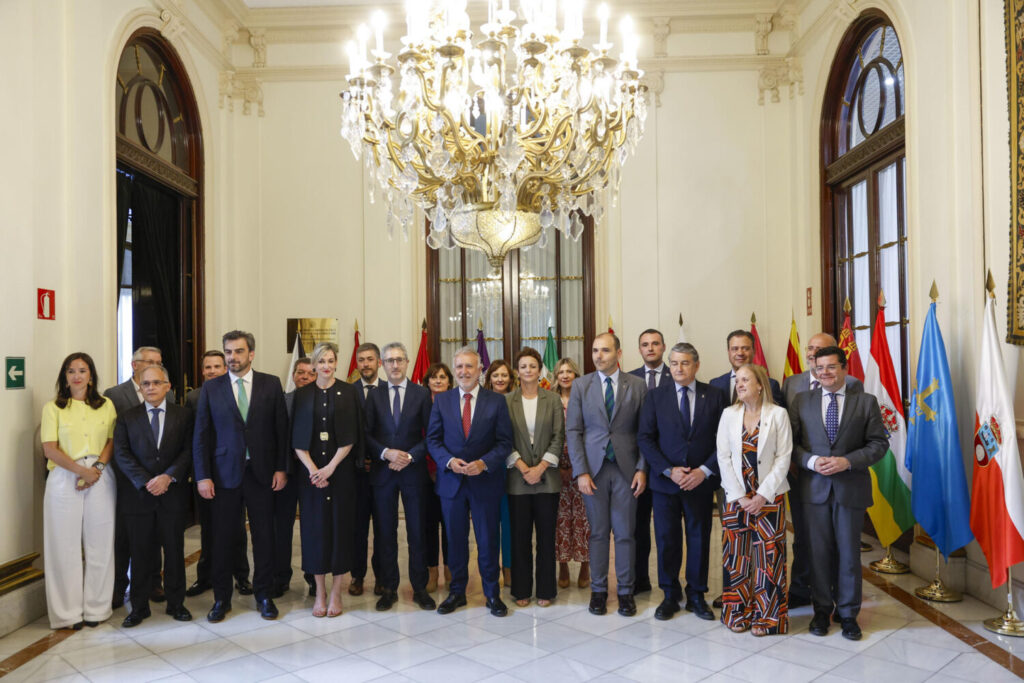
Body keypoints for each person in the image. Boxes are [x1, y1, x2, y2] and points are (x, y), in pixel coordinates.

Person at [789, 346, 888, 641]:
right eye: (819, 368)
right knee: (817, 553)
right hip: (814, 489)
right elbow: (790, 444)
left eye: (831, 367)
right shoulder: (801, 401)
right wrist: (809, 461)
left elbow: (878, 444)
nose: (825, 373)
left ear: (844, 368)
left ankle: (847, 614)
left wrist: (848, 461)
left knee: (847, 554)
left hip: (850, 488)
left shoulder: (866, 402)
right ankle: (821, 611)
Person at [193, 330, 289, 623]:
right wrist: (202, 476)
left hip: (261, 474)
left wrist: (281, 468)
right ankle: (222, 598)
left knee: (264, 537)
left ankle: (263, 595)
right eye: (228, 352)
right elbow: (202, 435)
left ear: (251, 354)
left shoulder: (270, 384)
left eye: (238, 351)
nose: (232, 357)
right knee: (223, 538)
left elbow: (281, 431)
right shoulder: (212, 388)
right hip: (223, 476)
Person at [637, 343, 727, 622]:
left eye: (685, 363)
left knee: (699, 538)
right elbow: (645, 438)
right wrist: (668, 470)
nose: (678, 368)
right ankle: (669, 594)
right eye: (674, 363)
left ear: (696, 365)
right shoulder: (655, 397)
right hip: (665, 484)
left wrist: (703, 470)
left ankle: (697, 595)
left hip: (700, 483)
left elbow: (724, 440)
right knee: (667, 540)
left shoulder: (715, 395)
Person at [426, 346, 514, 617]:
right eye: (460, 367)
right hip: (452, 482)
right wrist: (449, 462)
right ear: (455, 370)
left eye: (469, 366)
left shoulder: (496, 401)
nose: (464, 371)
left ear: (480, 370)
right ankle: (457, 592)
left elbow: (504, 442)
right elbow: (433, 440)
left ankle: (491, 594)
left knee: (488, 540)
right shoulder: (442, 401)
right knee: (455, 540)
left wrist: (484, 463)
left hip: (485, 482)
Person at [565, 332, 647, 617]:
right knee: (598, 533)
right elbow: (573, 431)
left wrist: (642, 468)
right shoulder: (580, 385)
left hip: (627, 470)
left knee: (625, 534)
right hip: (593, 471)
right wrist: (581, 472)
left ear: (619, 354)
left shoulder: (637, 386)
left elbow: (645, 432)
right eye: (595, 351)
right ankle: (598, 591)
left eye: (605, 351)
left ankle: (625, 592)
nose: (599, 356)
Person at [780, 332, 863, 608]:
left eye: (822, 352)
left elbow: (862, 435)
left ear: (840, 364)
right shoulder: (795, 388)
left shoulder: (856, 389)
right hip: (805, 479)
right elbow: (788, 435)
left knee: (845, 547)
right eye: (812, 351)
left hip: (845, 482)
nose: (816, 358)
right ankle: (809, 596)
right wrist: (803, 462)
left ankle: (843, 602)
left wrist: (846, 461)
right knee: (807, 541)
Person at [112, 364, 194, 627]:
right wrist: (146, 481)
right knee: (140, 553)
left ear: (167, 386)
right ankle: (138, 607)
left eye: (156, 383)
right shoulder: (127, 417)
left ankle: (176, 603)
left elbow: (189, 450)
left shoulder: (184, 416)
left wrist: (168, 476)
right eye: (145, 384)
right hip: (139, 497)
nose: (150, 388)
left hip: (172, 495)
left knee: (173, 550)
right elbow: (121, 454)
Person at [40, 353, 118, 630]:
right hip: (64, 477)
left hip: (100, 474)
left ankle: (97, 608)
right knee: (64, 546)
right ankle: (67, 613)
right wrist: (80, 471)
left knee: (100, 543)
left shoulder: (106, 405)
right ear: (64, 376)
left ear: (91, 376)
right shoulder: (53, 408)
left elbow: (111, 440)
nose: (77, 376)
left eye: (82, 370)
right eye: (71, 371)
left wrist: (95, 468)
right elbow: (50, 448)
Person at [708, 329, 783, 607]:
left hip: (764, 483)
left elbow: (779, 438)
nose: (740, 353)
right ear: (728, 351)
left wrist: (765, 490)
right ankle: (734, 595)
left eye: (745, 348)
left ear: (753, 351)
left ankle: (762, 597)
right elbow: (716, 437)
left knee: (765, 546)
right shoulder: (715, 384)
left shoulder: (772, 384)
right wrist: (735, 488)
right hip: (729, 481)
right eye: (734, 348)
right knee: (734, 542)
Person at [716, 363, 792, 636]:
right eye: (737, 379)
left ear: (760, 385)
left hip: (769, 498)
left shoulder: (778, 414)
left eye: (746, 379)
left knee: (768, 560)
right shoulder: (728, 414)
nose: (740, 383)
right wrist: (739, 496)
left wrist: (762, 495)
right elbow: (723, 457)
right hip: (736, 499)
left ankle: (768, 618)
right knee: (736, 558)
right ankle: (737, 613)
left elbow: (784, 458)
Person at [292, 342, 362, 618]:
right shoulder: (302, 395)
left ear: (336, 362)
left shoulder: (349, 392)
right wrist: (313, 470)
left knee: (339, 533)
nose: (326, 366)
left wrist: (330, 468)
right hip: (311, 477)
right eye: (321, 362)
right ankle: (319, 593)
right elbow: (297, 440)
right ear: (313, 365)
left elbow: (351, 437)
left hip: (340, 474)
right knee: (315, 534)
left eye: (331, 360)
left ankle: (336, 593)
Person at [365, 343, 436, 611]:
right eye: (389, 360)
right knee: (385, 533)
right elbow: (366, 434)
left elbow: (431, 434)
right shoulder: (374, 395)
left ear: (407, 363)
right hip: (384, 473)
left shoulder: (421, 394)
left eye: (399, 360)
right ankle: (388, 587)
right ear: (382, 364)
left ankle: (420, 588)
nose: (394, 365)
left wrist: (408, 456)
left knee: (417, 532)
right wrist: (386, 453)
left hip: (413, 473)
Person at [104, 346, 172, 608]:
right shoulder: (114, 395)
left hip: (158, 480)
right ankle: (119, 587)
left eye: (159, 362)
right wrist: (139, 476)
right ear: (135, 365)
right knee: (123, 537)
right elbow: (114, 439)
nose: (155, 365)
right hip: (127, 479)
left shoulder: (166, 390)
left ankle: (155, 581)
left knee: (154, 535)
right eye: (150, 361)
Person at [185, 350, 252, 599]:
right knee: (209, 529)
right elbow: (195, 437)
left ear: (225, 369)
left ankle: (241, 576)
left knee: (236, 527)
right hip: (206, 474)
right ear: (202, 371)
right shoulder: (193, 397)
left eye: (216, 366)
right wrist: (200, 474)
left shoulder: (238, 392)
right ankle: (206, 577)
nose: (211, 371)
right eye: (207, 367)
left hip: (233, 470)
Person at [505, 348, 565, 607]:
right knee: (519, 538)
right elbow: (502, 439)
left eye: (532, 366)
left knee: (545, 538)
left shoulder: (552, 400)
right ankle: (520, 590)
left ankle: (546, 590)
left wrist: (540, 468)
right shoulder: (506, 401)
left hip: (547, 479)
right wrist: (521, 466)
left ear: (540, 370)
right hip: (518, 481)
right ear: (517, 372)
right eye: (523, 366)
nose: (528, 370)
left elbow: (558, 437)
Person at [628, 329, 671, 594]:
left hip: (667, 464)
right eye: (645, 344)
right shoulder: (629, 379)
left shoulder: (677, 375)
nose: (651, 348)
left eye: (655, 343)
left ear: (664, 347)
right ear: (640, 349)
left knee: (666, 530)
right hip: (636, 466)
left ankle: (668, 583)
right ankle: (640, 580)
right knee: (637, 527)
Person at [272, 356, 317, 598]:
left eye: (310, 374)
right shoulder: (282, 401)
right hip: (286, 474)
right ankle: (281, 578)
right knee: (281, 528)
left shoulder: (323, 400)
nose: (305, 377)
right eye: (301, 373)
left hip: (313, 475)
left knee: (311, 527)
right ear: (293, 375)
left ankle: (313, 576)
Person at [350, 342, 384, 597]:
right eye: (361, 360)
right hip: (355, 473)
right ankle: (357, 576)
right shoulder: (347, 392)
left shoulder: (388, 390)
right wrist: (360, 458)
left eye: (370, 359)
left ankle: (382, 577)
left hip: (384, 471)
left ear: (379, 362)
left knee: (384, 528)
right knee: (357, 529)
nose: (365, 364)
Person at [554, 358, 590, 590]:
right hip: (555, 468)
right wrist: (558, 466)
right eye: (561, 372)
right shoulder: (549, 400)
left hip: (583, 469)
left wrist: (579, 468)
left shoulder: (585, 399)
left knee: (584, 520)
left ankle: (586, 566)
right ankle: (563, 566)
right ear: (555, 376)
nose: (565, 375)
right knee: (560, 520)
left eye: (570, 372)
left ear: (577, 375)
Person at [421, 362, 453, 592]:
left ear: (449, 381)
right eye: (434, 377)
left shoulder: (455, 404)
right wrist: (431, 468)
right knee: (428, 525)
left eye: (442, 377)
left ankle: (451, 570)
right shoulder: (421, 405)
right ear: (427, 382)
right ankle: (432, 571)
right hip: (424, 474)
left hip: (450, 473)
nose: (438, 381)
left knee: (451, 525)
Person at [484, 358, 515, 587]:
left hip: (514, 468)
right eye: (495, 375)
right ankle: (491, 571)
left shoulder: (517, 401)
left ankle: (511, 570)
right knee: (489, 524)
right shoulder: (483, 401)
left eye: (504, 375)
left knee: (510, 523)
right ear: (489, 378)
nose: (500, 379)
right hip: (489, 467)